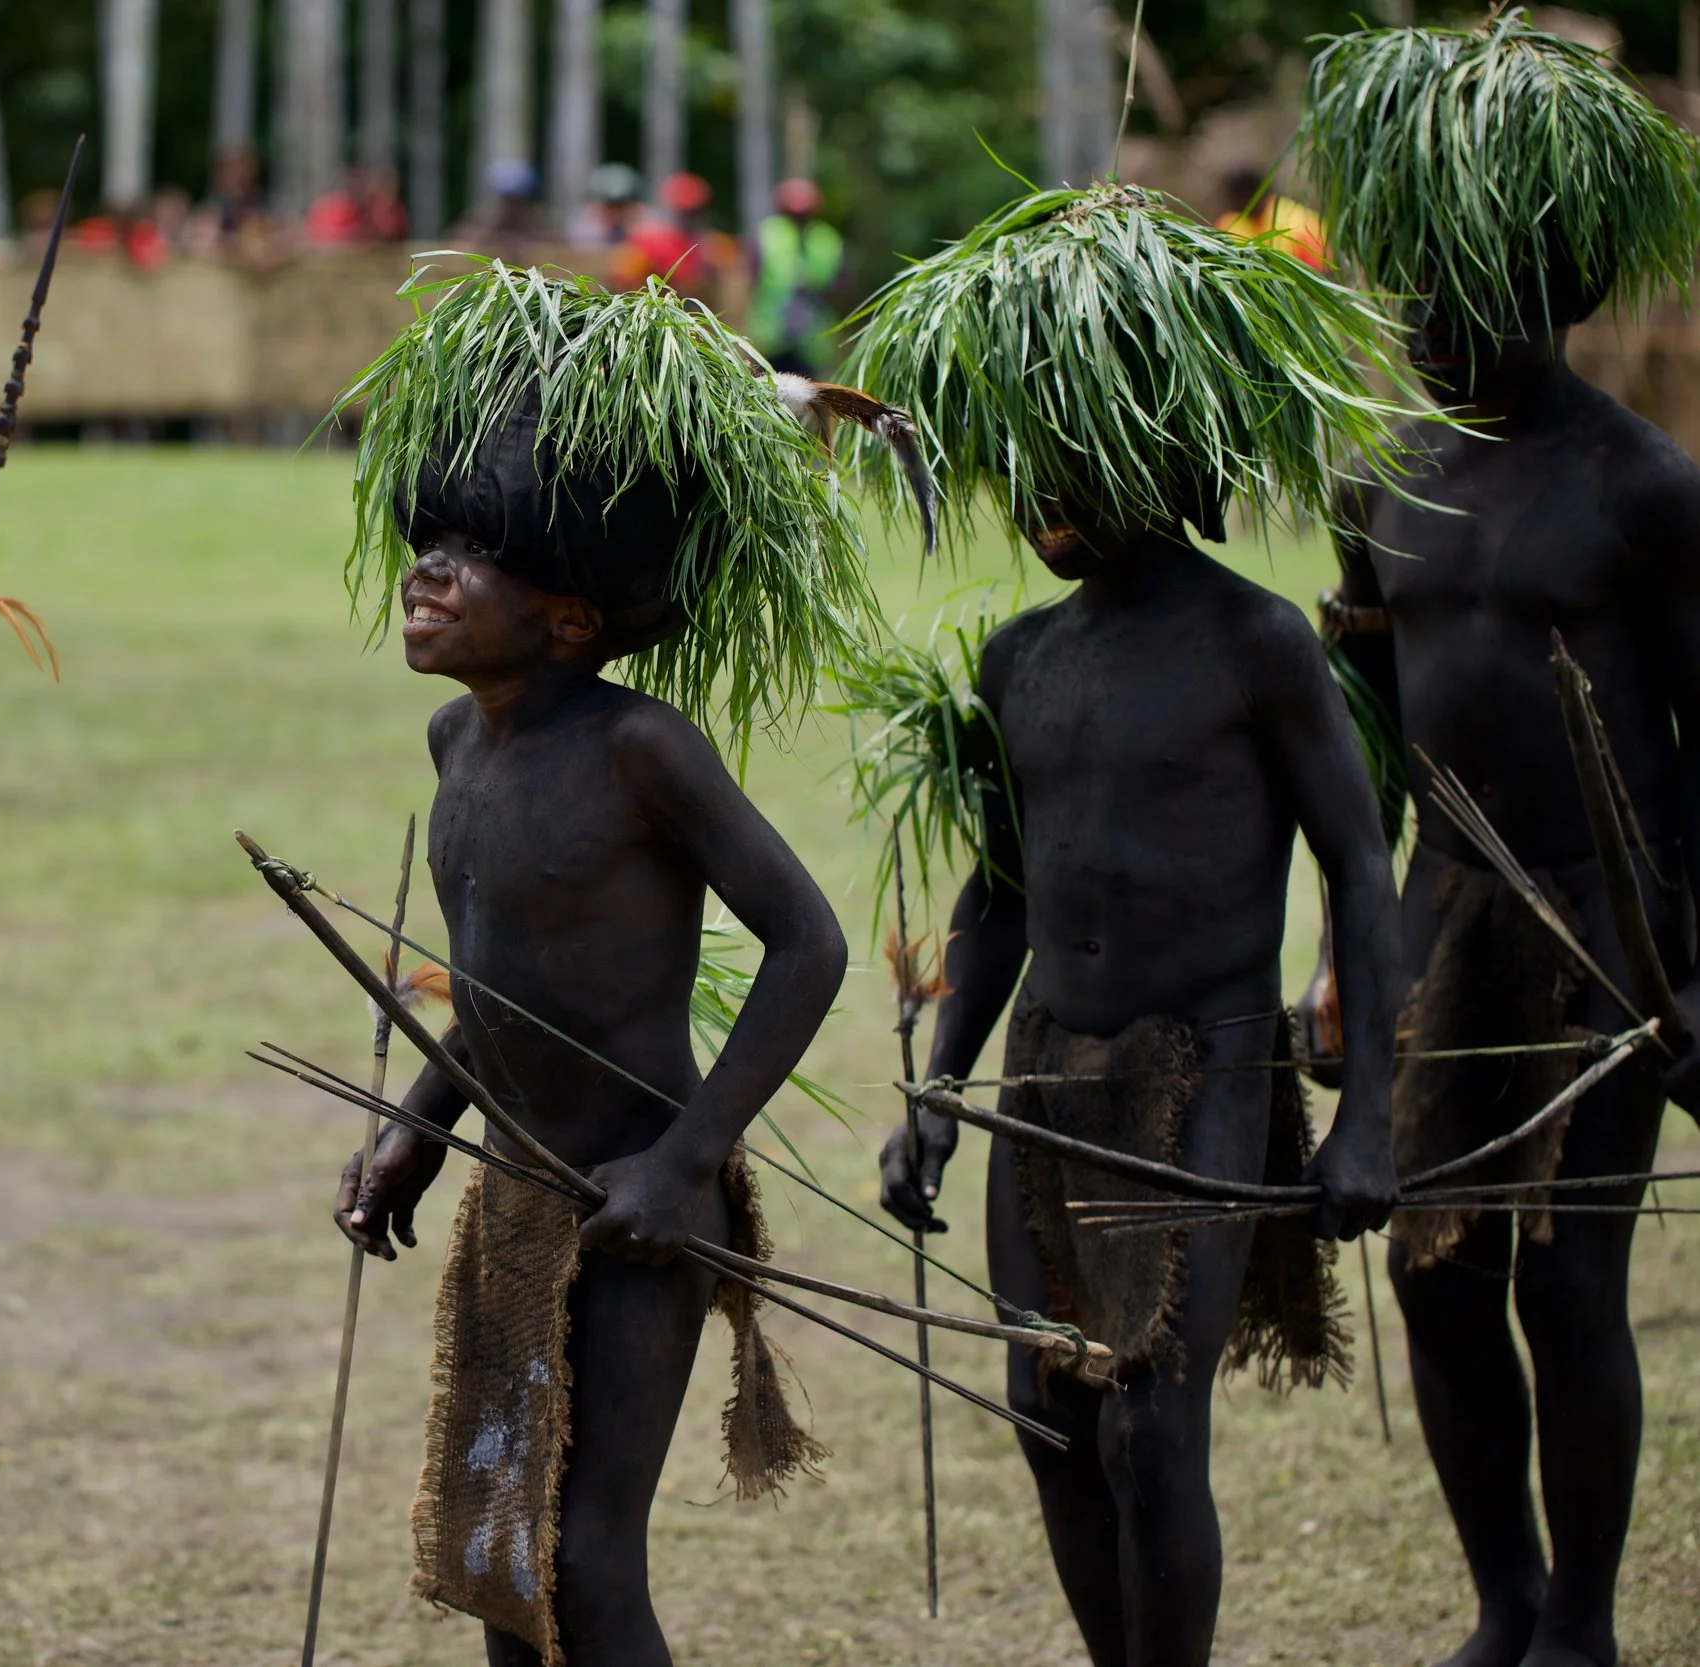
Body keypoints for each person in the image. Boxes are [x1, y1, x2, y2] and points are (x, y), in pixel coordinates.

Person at [855, 184, 1409, 1667]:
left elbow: (1361, 865)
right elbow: (1003, 886)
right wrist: (942, 1083)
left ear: (1157, 448)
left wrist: (1367, 1122)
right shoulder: (1020, 655)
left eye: (1062, 461)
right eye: (1015, 464)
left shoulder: (1257, 641)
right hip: (1047, 1070)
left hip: (1205, 1071)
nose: (1035, 496)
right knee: (1052, 1415)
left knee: (1155, 1431)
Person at [329, 261, 900, 1665]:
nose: (428, 572)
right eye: (431, 543)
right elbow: (497, 991)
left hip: (644, 1203)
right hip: (519, 1196)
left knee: (585, 1560)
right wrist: (413, 1132)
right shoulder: (457, 745)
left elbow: (808, 943)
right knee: (499, 1549)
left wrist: (689, 1154)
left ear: (574, 613)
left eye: (476, 559)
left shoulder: (645, 749)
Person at [1297, 16, 1700, 1666]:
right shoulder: (1381, 478)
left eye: (1458, 293)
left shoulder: (1641, 486)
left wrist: (1695, 967)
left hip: (1605, 919)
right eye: (1408, 292)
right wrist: (1344, 950)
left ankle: (1585, 1625)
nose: (1423, 324)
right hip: (1433, 917)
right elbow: (1369, 746)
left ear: (1548, 287)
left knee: (1564, 1278)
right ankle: (1503, 1601)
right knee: (1435, 1277)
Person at [748, 178, 844, 375]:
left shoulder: (827, 240)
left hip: (812, 340)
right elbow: (750, 281)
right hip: (772, 337)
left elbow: (842, 287)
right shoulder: (767, 235)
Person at [1211, 163, 1326, 271]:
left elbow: (1317, 269)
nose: (1243, 202)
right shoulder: (1227, 225)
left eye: (1246, 197)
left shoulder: (1298, 222)